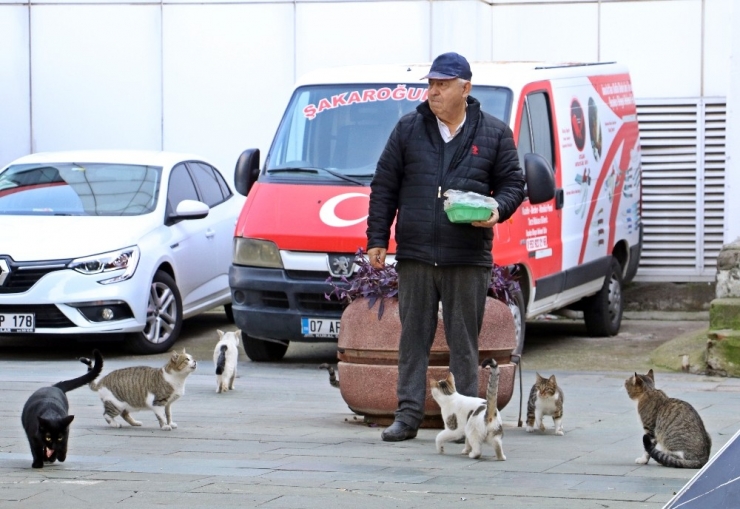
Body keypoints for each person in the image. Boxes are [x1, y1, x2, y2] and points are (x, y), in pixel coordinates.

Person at [366, 52, 526, 442]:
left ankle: (471, 419)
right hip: (417, 253)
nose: (433, 92)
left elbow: (513, 185)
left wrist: (496, 211)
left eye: (442, 85)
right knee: (413, 338)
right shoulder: (408, 129)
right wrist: (377, 239)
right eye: (431, 84)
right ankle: (407, 416)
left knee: (464, 342)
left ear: (465, 88)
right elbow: (384, 186)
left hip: (467, 255)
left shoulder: (494, 132)